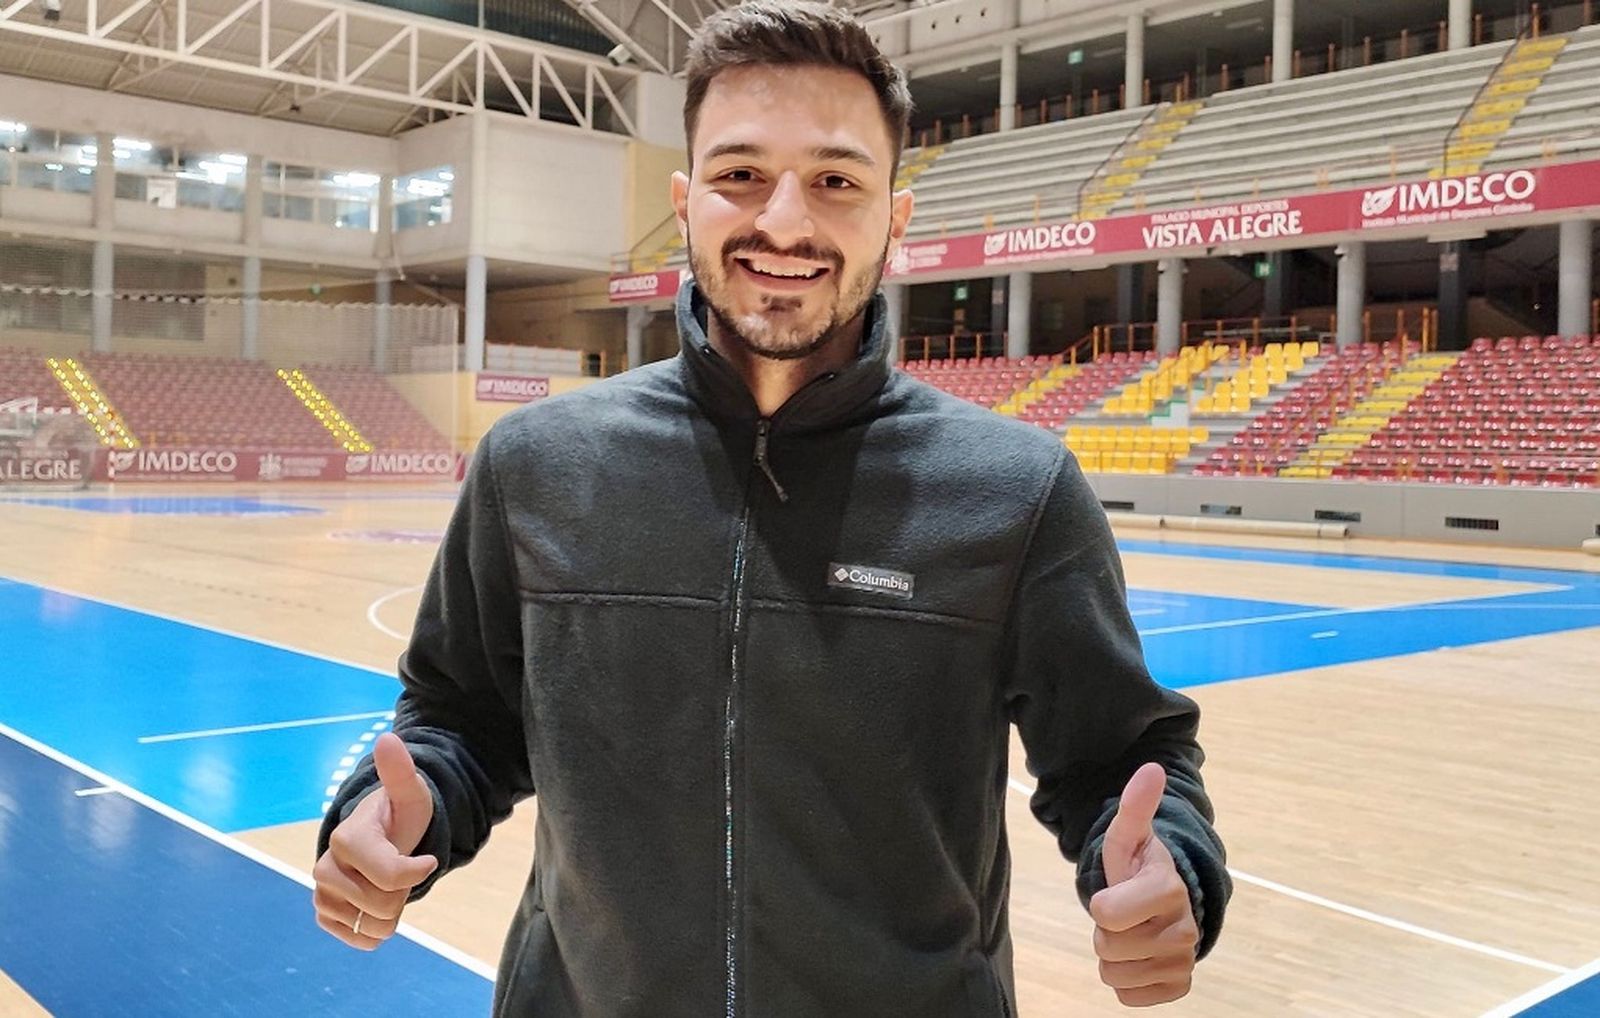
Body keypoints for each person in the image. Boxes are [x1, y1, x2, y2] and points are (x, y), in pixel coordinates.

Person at [313, 3, 1230, 1014]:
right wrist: (396, 810)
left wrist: (1167, 866)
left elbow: (1123, 756)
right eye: (740, 174)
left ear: (896, 218)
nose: (784, 222)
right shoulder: (536, 465)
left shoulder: (1012, 489)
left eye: (835, 181)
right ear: (686, 199)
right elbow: (457, 719)